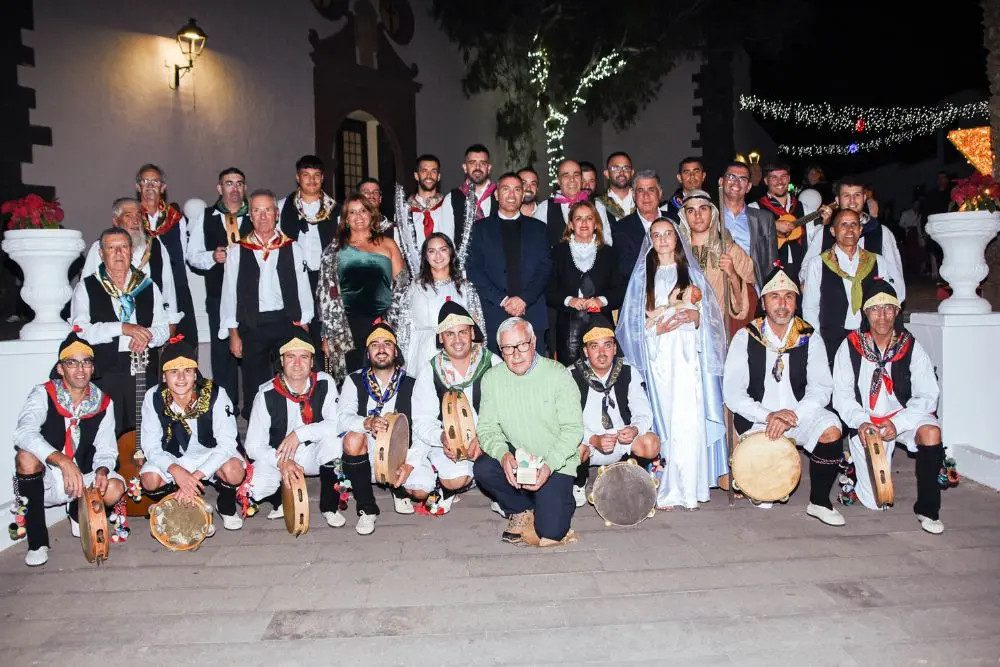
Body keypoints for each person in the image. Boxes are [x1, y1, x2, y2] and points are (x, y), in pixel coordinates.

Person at [616, 218, 730, 509]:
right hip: (660, 360)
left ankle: (690, 488)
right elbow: (632, 325)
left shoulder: (690, 274)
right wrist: (656, 330)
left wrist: (696, 318)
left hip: (688, 359)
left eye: (668, 234)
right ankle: (669, 484)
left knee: (687, 420)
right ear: (650, 240)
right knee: (667, 419)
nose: (664, 239)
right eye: (657, 235)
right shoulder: (644, 277)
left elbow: (711, 321)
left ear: (677, 239)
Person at [722, 264, 845, 524]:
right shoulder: (746, 337)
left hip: (798, 416)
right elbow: (733, 393)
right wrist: (769, 415)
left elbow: (821, 388)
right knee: (765, 499)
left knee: (832, 429)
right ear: (764, 303)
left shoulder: (809, 337)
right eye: (775, 297)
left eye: (789, 297)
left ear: (796, 302)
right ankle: (763, 483)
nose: (782, 304)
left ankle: (820, 502)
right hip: (759, 421)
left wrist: (792, 416)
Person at [832, 279, 945, 534]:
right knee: (876, 503)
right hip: (867, 424)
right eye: (875, 309)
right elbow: (841, 395)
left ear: (896, 311)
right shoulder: (850, 346)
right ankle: (856, 472)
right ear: (865, 312)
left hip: (901, 418)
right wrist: (862, 421)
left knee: (931, 433)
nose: (882, 316)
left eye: (888, 309)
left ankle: (928, 510)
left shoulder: (910, 346)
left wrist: (899, 423)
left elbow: (928, 393)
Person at [13, 329, 124, 566]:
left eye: (86, 362)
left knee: (114, 487)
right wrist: (62, 461)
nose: (80, 370)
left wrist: (103, 470)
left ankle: (77, 512)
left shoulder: (103, 402)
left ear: (93, 368)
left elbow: (107, 449)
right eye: (71, 363)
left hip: (82, 476)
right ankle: (37, 541)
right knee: (25, 457)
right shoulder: (43, 393)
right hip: (49, 477)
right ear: (61, 368)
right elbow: (23, 432)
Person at [474, 317, 583, 546]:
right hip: (519, 454)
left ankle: (559, 499)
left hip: (555, 461)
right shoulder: (492, 379)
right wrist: (504, 455)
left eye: (522, 345)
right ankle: (521, 507)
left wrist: (549, 465)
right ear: (500, 350)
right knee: (484, 467)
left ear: (533, 341)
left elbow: (573, 430)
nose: (515, 354)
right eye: (507, 348)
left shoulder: (558, 375)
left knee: (550, 532)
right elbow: (487, 428)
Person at [220, 189, 314, 418]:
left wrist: (304, 324)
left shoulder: (292, 247)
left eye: (267, 210)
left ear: (277, 213)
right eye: (256, 211)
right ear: (250, 216)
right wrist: (233, 332)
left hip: (285, 320)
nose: (262, 216)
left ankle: (292, 422)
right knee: (255, 383)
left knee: (292, 376)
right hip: (253, 324)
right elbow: (229, 293)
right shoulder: (237, 251)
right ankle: (258, 432)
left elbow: (303, 288)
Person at [336, 322, 437, 534]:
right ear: (367, 352)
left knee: (421, 490)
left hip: (402, 454)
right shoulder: (354, 380)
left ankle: (399, 490)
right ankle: (366, 507)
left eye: (387, 344)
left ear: (396, 350)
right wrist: (366, 423)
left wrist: (409, 465)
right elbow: (342, 419)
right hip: (368, 456)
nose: (381, 349)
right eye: (375, 345)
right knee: (352, 439)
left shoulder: (412, 383)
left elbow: (423, 428)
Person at [139, 336, 246, 530]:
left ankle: (226, 506)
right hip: (173, 456)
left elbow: (227, 444)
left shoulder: (216, 394)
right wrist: (177, 471)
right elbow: (150, 446)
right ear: (164, 376)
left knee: (235, 470)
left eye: (187, 371)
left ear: (196, 374)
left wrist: (194, 477)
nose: (181, 378)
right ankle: (173, 506)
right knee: (149, 480)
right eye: (174, 372)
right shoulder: (153, 397)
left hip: (210, 452)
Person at [71, 227, 170, 435]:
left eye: (123, 247)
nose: (118, 253)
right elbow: (82, 331)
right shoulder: (86, 287)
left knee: (146, 433)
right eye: (111, 248)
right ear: (101, 253)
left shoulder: (148, 285)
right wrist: (123, 328)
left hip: (144, 372)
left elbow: (163, 329)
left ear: (131, 251)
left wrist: (147, 336)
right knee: (108, 434)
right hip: (106, 374)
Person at [244, 334, 346, 528]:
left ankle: (329, 506)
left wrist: (300, 434)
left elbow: (337, 424)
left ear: (311, 361)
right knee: (255, 487)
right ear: (282, 361)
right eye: (291, 357)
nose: (298, 363)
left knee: (335, 442)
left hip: (313, 452)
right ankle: (280, 500)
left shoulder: (324, 382)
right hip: (280, 455)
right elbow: (252, 446)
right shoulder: (266, 394)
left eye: (304, 357)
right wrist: (281, 461)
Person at [412, 301, 502, 513]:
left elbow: (509, 409)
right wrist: (443, 438)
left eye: (462, 332)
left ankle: (498, 490)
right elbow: (422, 419)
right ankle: (457, 482)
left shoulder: (493, 363)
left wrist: (485, 438)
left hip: (491, 437)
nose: (458, 339)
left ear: (472, 333)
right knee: (455, 480)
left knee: (498, 465)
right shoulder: (430, 371)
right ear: (441, 338)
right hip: (452, 444)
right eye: (449, 334)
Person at [567, 317, 659, 507]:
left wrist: (634, 429)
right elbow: (567, 422)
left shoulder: (627, 371)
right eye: (594, 346)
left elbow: (643, 411)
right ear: (585, 351)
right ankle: (579, 482)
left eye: (607, 345)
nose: (602, 353)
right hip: (588, 441)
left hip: (620, 438)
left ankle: (628, 476)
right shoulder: (571, 375)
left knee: (650, 443)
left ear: (615, 348)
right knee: (574, 449)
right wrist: (593, 439)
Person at [317, 194, 408, 381]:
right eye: (352, 212)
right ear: (346, 219)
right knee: (352, 380)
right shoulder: (333, 250)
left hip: (382, 323)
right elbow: (325, 296)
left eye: (363, 211)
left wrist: (392, 321)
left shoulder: (388, 244)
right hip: (346, 327)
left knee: (384, 376)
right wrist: (326, 335)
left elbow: (403, 287)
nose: (358, 216)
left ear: (371, 214)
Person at [186, 167, 252, 409]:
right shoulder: (206, 216)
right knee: (222, 352)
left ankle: (254, 406)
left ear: (244, 187)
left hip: (251, 297)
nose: (234, 189)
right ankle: (226, 407)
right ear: (219, 188)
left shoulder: (256, 214)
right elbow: (192, 256)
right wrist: (212, 257)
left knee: (253, 350)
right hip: (218, 295)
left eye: (238, 183)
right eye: (228, 183)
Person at [466, 172, 552, 355]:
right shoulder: (480, 229)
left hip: (532, 312)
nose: (511, 194)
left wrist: (524, 299)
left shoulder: (539, 229)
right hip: (494, 314)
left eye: (517, 189)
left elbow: (545, 269)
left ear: (522, 195)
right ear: (496, 195)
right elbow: (474, 270)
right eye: (506, 189)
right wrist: (502, 300)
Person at [801, 209, 892, 367]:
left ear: (860, 229)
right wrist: (816, 345)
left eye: (854, 224)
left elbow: (884, 302)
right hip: (831, 340)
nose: (849, 229)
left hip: (868, 338)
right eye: (843, 224)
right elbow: (810, 307)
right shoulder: (818, 264)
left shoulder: (876, 261)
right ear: (833, 231)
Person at [81, 197, 182, 337]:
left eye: (139, 215)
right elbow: (87, 288)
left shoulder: (155, 247)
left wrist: (171, 322)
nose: (136, 221)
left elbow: (168, 287)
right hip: (109, 332)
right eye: (128, 216)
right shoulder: (101, 249)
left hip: (150, 332)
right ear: (116, 221)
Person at [277, 155, 341, 367]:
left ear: (322, 178)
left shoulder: (336, 210)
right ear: (298, 178)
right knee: (296, 334)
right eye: (306, 175)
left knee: (326, 335)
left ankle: (326, 381)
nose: (311, 180)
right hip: (294, 280)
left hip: (327, 280)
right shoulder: (281, 208)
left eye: (316, 176)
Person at [547, 200, 623, 365]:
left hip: (602, 321)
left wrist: (600, 300)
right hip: (568, 325)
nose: (583, 223)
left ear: (596, 223)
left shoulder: (609, 253)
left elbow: (620, 290)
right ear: (571, 224)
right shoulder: (558, 252)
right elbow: (548, 290)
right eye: (578, 218)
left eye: (589, 218)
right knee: (571, 375)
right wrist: (570, 300)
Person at [397, 232, 484, 377]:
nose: (438, 256)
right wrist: (402, 360)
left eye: (442, 249)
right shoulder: (414, 288)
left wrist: (478, 357)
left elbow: (477, 326)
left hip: (458, 351)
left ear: (450, 252)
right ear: (425, 256)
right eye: (432, 251)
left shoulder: (465, 288)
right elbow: (405, 328)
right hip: (422, 354)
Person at [812, 176, 906, 304]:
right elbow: (807, 270)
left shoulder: (881, 232)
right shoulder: (824, 232)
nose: (852, 201)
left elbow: (895, 274)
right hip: (833, 310)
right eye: (846, 195)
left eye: (857, 195)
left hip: (872, 308)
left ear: (864, 198)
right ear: (837, 200)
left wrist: (895, 304)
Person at [677, 191, 756, 336]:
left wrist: (732, 274)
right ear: (684, 216)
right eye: (691, 211)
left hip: (719, 331)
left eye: (703, 209)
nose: (698, 216)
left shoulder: (729, 249)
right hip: (684, 332)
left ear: (712, 213)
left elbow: (750, 287)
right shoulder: (677, 253)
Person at [134, 163, 197, 344]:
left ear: (163, 187)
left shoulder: (176, 218)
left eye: (155, 181)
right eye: (145, 181)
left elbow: (183, 254)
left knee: (183, 343)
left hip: (176, 287)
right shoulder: (132, 217)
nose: (150, 185)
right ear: (138, 187)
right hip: (143, 287)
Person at [718, 161, 778, 290]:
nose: (736, 182)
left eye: (743, 179)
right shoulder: (708, 216)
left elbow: (770, 263)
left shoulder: (764, 219)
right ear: (721, 182)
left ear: (749, 186)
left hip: (751, 289)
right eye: (731, 177)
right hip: (717, 289)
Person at [748, 161, 810, 286]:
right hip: (768, 276)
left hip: (800, 276)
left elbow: (813, 243)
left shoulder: (804, 209)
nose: (780, 182)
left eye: (783, 176)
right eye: (774, 178)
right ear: (766, 181)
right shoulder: (754, 208)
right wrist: (773, 225)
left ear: (789, 178)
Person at [536, 159, 613, 248]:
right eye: (566, 175)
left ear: (581, 179)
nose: (572, 179)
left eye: (576, 175)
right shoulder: (545, 208)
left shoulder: (597, 206)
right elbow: (537, 244)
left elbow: (607, 241)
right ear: (558, 180)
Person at [612, 169, 667, 285]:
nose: (646, 196)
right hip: (639, 292)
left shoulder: (675, 221)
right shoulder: (621, 228)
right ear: (634, 195)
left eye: (651, 190)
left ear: (660, 193)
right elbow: (626, 267)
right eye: (640, 190)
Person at [448, 144, 496, 239]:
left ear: (489, 168)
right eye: (472, 163)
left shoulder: (500, 196)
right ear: (465, 167)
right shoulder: (451, 198)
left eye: (482, 163)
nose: (477, 167)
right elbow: (447, 239)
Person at [408, 154, 456, 246]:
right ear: (416, 176)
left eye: (433, 171)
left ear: (438, 176)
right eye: (424, 171)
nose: (429, 176)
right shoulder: (405, 211)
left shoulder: (449, 207)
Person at [598, 151, 635, 222]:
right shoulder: (598, 204)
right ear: (607, 174)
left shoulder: (641, 200)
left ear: (632, 173)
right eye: (616, 168)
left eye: (626, 168)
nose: (622, 173)